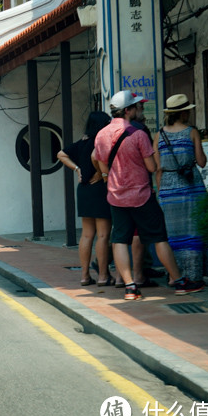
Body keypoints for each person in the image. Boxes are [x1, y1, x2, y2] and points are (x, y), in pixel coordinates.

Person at [94, 90, 205, 300]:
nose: (139, 110)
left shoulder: (101, 135)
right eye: (136, 106)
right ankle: (179, 282)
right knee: (159, 238)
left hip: (116, 197)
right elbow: (152, 167)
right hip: (141, 195)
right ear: (128, 110)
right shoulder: (138, 134)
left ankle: (130, 288)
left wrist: (110, 176)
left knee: (120, 240)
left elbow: (101, 163)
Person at [154, 94, 208, 284]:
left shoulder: (159, 135)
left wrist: (161, 193)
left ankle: (173, 276)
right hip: (191, 187)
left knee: (172, 233)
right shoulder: (192, 132)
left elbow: (157, 168)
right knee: (193, 231)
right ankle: (193, 275)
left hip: (168, 190)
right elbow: (201, 162)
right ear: (183, 113)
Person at [58, 111, 114, 286]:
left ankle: (84, 276)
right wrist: (100, 172)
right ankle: (103, 276)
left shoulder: (82, 142)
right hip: (99, 189)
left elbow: (61, 154)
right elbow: (97, 156)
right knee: (103, 235)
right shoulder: (101, 141)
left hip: (83, 190)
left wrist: (77, 169)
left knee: (87, 235)